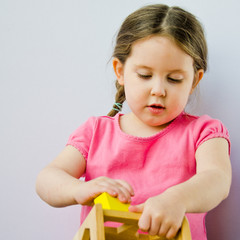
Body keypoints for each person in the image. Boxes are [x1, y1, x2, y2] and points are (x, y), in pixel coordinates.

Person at [36, 4, 231, 240]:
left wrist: (177, 199)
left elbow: (217, 179)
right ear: (120, 71)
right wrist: (79, 190)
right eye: (145, 75)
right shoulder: (96, 131)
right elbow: (47, 178)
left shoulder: (203, 132)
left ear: (194, 81)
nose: (158, 90)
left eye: (174, 79)